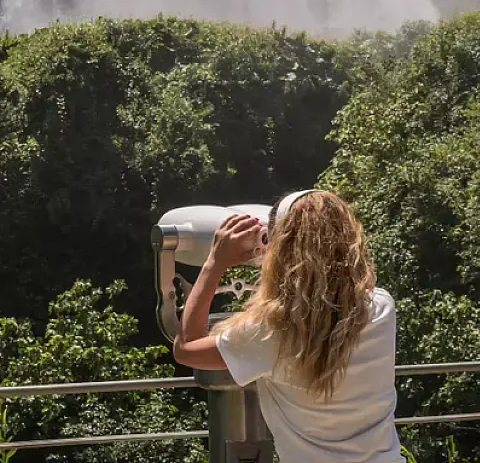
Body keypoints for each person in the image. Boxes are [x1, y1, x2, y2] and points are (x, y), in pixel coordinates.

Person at [172, 189, 401, 463]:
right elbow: (329, 304)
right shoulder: (381, 308)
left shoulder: (270, 332)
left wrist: (214, 263)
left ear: (281, 249)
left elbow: (186, 348)